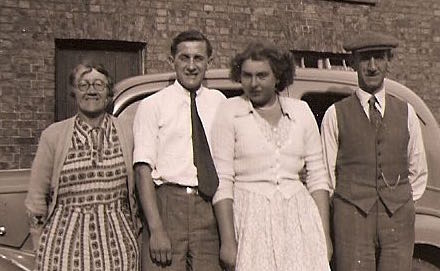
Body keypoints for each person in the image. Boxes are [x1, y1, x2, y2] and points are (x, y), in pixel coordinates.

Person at [211, 41, 332, 271]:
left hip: (298, 220)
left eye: (262, 75)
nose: (253, 83)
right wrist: (228, 241)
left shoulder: (301, 112)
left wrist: (323, 235)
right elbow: (223, 180)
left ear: (277, 76)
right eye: (247, 76)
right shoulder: (230, 112)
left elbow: (317, 176)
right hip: (251, 220)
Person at [321, 32, 428, 271]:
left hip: (397, 219)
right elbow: (327, 177)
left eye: (378, 58)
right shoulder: (335, 114)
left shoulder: (407, 112)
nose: (372, 67)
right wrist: (346, 207)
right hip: (352, 217)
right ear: (352, 63)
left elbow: (418, 171)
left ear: (389, 62)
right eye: (364, 59)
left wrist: (400, 202)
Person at [25, 63, 141, 271]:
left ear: (108, 93)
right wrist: (39, 244)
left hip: (118, 243)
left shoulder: (128, 133)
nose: (91, 91)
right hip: (63, 244)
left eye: (99, 84)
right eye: (83, 85)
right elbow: (36, 199)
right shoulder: (53, 135)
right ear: (74, 93)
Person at [133, 30, 226, 271]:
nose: (192, 65)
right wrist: (156, 229)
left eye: (199, 58)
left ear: (209, 63)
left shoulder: (220, 103)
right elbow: (142, 170)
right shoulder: (153, 105)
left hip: (209, 209)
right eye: (185, 57)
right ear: (172, 60)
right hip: (167, 207)